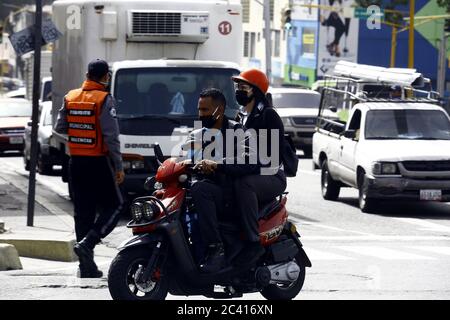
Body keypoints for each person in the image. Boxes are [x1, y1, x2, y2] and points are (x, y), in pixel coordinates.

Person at [54, 59, 125, 278]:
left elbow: (59, 127)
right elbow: (111, 137)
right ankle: (89, 241)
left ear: (86, 74)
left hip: (75, 162)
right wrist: (119, 166)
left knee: (82, 213)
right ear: (106, 77)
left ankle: (86, 267)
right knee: (115, 206)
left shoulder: (70, 97)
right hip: (98, 162)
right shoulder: (104, 99)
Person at [187, 88, 259, 273]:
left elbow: (249, 162)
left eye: (205, 110)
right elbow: (187, 161)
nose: (200, 114)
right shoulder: (197, 135)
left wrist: (218, 165)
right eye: (199, 109)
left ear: (219, 109)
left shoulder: (237, 130)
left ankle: (216, 250)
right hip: (209, 191)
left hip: (230, 194)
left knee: (200, 189)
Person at [231, 68, 287, 267]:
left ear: (255, 90)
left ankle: (252, 241)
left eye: (243, 87)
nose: (238, 90)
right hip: (252, 169)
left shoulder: (268, 116)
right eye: (237, 86)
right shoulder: (241, 116)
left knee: (244, 184)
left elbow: (270, 156)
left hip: (271, 175)